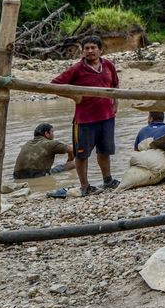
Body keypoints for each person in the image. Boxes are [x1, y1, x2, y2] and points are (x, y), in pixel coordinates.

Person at [51, 36, 121, 195]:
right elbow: (54, 85)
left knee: (105, 151)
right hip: (85, 120)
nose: (90, 51)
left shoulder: (108, 65)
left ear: (100, 50)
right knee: (81, 155)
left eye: (93, 48)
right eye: (87, 48)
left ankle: (108, 180)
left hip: (107, 117)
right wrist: (73, 96)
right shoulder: (77, 68)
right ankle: (85, 186)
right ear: (82, 52)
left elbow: (115, 85)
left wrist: (115, 104)